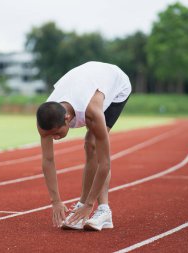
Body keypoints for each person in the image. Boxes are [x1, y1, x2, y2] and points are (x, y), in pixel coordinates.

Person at [36, 61, 131, 231]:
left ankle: (104, 211)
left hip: (116, 84)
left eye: (57, 133)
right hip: (88, 78)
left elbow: (105, 163)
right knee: (89, 145)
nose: (54, 138)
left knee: (92, 144)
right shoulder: (46, 116)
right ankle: (82, 207)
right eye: (49, 135)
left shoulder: (92, 111)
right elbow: (48, 160)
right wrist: (55, 201)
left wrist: (89, 204)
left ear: (67, 119)